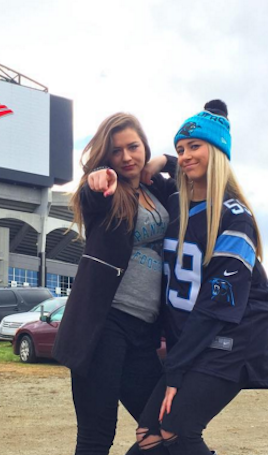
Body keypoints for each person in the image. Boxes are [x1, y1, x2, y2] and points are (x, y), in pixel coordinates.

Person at [128, 100, 268, 455]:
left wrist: (176, 370)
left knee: (176, 431)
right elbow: (160, 173)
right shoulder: (177, 203)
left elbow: (216, 306)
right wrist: (164, 160)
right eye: (181, 148)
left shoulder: (235, 217)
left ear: (218, 151)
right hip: (194, 340)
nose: (186, 154)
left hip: (232, 339)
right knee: (148, 436)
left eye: (195, 146)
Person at [52, 112, 178, 455]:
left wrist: (163, 161)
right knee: (97, 436)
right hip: (103, 326)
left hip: (145, 331)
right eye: (116, 151)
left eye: (133, 147)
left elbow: (196, 174)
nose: (126, 157)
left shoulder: (160, 189)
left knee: (168, 429)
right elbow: (91, 193)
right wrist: (97, 180)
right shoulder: (107, 192)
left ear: (144, 147)